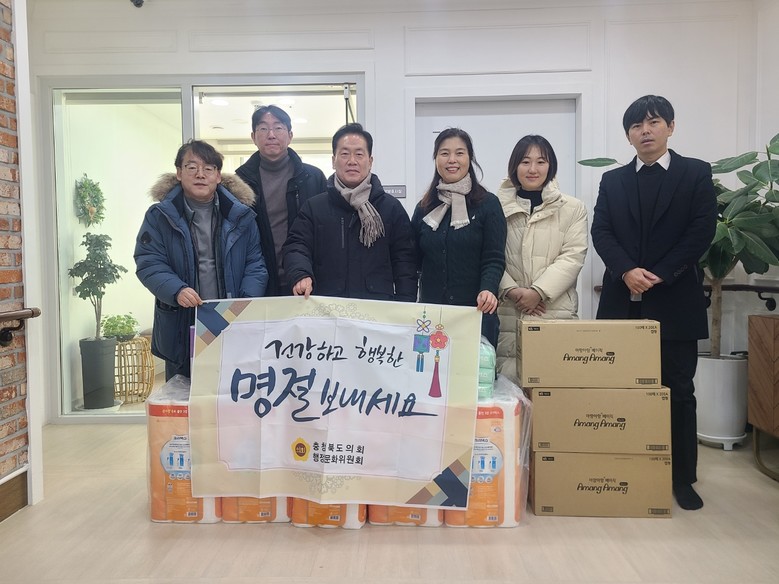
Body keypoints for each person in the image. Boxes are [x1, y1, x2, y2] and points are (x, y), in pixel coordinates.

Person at [591, 95, 717, 510]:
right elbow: (602, 231)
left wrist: (661, 273)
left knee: (678, 390)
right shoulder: (613, 180)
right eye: (636, 126)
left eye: (654, 122)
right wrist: (627, 269)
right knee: (618, 390)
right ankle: (624, 467)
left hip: (675, 300)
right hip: (621, 300)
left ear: (670, 127)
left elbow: (701, 231)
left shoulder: (695, 173)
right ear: (628, 135)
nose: (645, 131)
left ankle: (682, 477)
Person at [135, 140, 268, 380]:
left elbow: (255, 263)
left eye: (208, 168)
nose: (200, 174)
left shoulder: (241, 216)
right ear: (179, 172)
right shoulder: (159, 216)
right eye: (192, 167)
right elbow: (149, 261)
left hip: (230, 319)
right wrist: (176, 290)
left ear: (218, 176)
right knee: (184, 392)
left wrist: (245, 302)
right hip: (182, 319)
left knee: (232, 390)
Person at [282, 123, 417, 302]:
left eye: (359, 154)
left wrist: (405, 304)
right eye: (345, 154)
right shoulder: (314, 207)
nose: (352, 161)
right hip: (327, 306)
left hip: (378, 306)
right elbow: (296, 246)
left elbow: (405, 261)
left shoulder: (390, 208)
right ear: (333, 160)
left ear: (370, 161)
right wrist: (300, 273)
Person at [495, 135, 588, 382]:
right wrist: (512, 290)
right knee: (508, 388)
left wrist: (538, 291)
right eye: (525, 162)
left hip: (554, 309)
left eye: (541, 162)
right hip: (508, 311)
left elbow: (573, 256)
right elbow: (488, 255)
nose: (533, 169)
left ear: (551, 166)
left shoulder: (573, 208)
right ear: (515, 166)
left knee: (555, 388)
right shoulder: (494, 207)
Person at [411, 128, 507, 348]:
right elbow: (412, 259)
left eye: (459, 153)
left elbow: (494, 258)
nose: (452, 160)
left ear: (470, 158)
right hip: (430, 316)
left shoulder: (488, 204)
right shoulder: (424, 207)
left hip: (476, 313)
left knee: (476, 370)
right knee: (427, 368)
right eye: (444, 153)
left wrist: (488, 288)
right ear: (436, 159)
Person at [235, 105, 327, 296]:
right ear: (253, 137)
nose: (271, 135)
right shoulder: (239, 182)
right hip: (259, 282)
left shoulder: (313, 177)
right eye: (263, 128)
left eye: (278, 127)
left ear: (290, 135)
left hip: (308, 279)